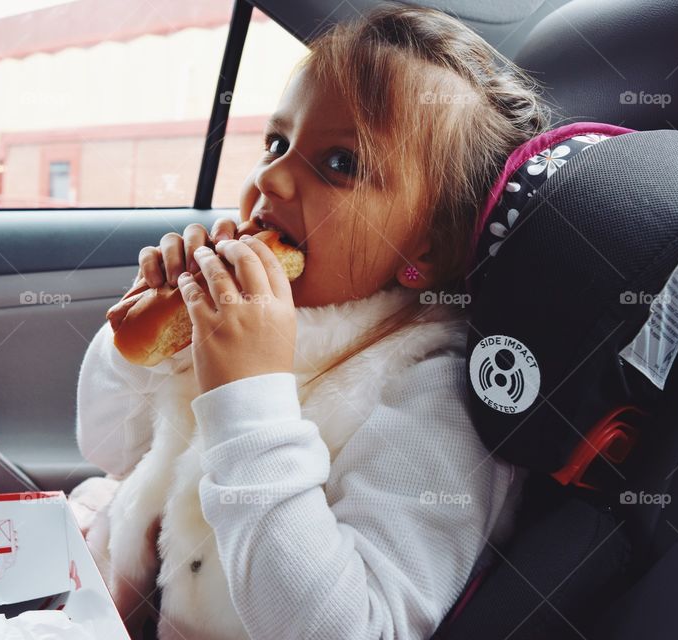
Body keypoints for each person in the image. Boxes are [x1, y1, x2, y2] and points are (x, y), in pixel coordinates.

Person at [70, 3, 551, 639]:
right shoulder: (237, 316)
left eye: (341, 163)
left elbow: (352, 628)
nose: (271, 175)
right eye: (277, 143)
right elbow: (105, 447)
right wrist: (150, 340)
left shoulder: (434, 393)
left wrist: (247, 399)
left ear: (425, 250)